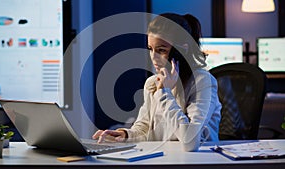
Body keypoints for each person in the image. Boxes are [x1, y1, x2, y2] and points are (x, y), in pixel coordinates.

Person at [92, 13, 221, 143]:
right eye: (150, 49)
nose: (153, 57)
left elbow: (191, 141)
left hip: (199, 161)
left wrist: (164, 93)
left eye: (161, 50)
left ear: (181, 50)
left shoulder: (202, 81)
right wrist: (124, 135)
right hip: (163, 159)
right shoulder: (153, 83)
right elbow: (144, 129)